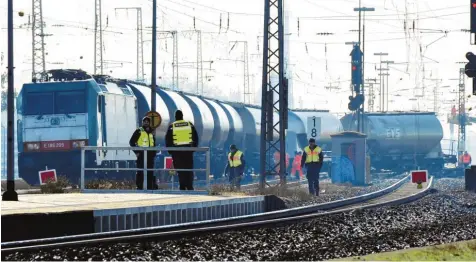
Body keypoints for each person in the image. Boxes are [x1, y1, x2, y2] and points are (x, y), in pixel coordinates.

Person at [165, 110, 199, 190]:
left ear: (175, 117)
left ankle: (182, 186)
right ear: (182, 116)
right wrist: (193, 148)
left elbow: (168, 139)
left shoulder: (172, 126)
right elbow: (195, 137)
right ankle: (190, 186)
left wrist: (170, 150)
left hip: (177, 152)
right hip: (188, 150)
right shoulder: (189, 124)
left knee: (180, 170)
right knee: (188, 169)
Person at [129, 116, 157, 190]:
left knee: (150, 171)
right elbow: (131, 142)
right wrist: (136, 152)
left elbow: (153, 143)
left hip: (150, 155)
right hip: (141, 154)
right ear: (142, 122)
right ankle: (140, 187)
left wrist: (154, 153)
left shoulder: (152, 132)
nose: (146, 123)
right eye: (145, 122)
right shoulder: (139, 131)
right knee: (140, 171)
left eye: (147, 122)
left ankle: (150, 187)